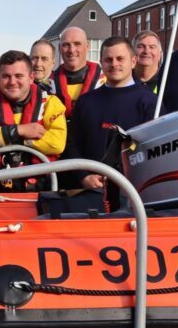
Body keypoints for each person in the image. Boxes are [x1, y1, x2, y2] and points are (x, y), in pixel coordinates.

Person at [65, 37, 156, 209]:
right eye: (108, 59)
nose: (114, 64)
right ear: (101, 63)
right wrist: (83, 176)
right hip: (90, 194)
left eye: (120, 59)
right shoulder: (86, 102)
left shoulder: (149, 102)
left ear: (133, 61)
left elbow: (153, 150)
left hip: (134, 195)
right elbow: (72, 145)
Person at [0, 51, 66, 191]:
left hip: (40, 188)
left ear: (31, 77)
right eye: (6, 76)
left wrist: (7, 140)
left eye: (19, 76)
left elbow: (57, 143)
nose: (12, 82)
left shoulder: (51, 104)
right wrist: (19, 131)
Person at [50, 27, 105, 119]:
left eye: (77, 44)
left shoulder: (106, 82)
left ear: (87, 46)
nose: (71, 50)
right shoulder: (48, 86)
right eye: (66, 45)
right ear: (59, 48)